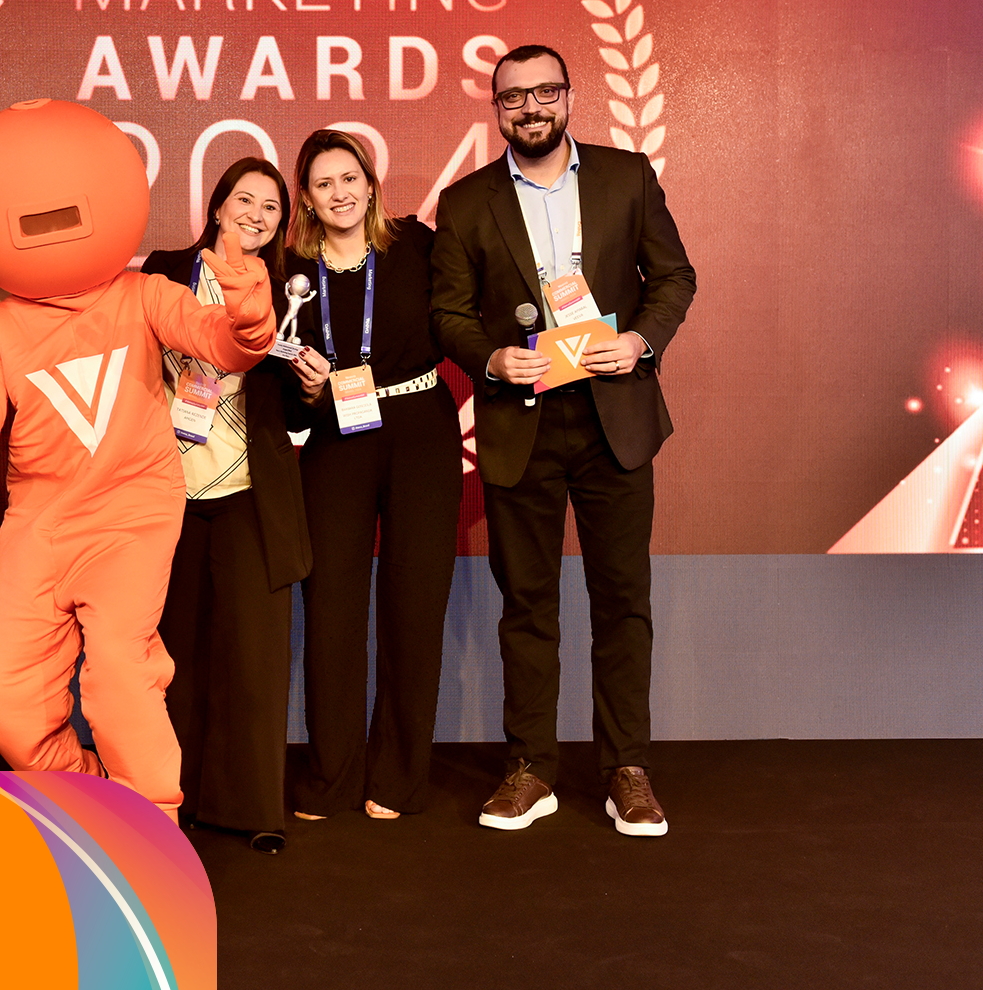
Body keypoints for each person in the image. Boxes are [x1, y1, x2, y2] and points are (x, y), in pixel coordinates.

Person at [0, 99, 274, 820]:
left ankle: (151, 825)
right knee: (6, 695)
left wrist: (248, 318)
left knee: (119, 670)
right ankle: (88, 799)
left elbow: (222, 345)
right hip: (38, 524)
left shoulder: (143, 295)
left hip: (131, 516)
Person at [430, 44, 695, 836]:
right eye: (514, 97)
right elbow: (448, 312)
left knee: (623, 599)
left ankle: (627, 768)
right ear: (497, 110)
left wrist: (640, 341)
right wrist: (490, 357)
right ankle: (531, 768)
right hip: (522, 421)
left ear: (570, 97)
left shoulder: (628, 176)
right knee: (527, 602)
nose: (531, 107)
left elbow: (674, 277)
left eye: (545, 91)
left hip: (616, 417)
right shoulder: (465, 202)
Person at [281, 130, 463, 822]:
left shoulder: (416, 245)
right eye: (324, 183)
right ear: (307, 198)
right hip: (335, 437)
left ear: (371, 182)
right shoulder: (292, 273)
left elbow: (464, 316)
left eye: (349, 178)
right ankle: (331, 775)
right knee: (331, 609)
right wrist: (303, 389)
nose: (340, 193)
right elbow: (278, 389)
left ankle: (398, 777)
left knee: (414, 606)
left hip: (420, 432)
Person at [140, 157, 313, 853]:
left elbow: (299, 400)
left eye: (272, 207)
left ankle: (252, 808)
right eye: (245, 199)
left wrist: (311, 384)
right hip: (166, 488)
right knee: (171, 654)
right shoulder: (165, 270)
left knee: (254, 657)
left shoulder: (293, 287)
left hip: (250, 491)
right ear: (217, 207)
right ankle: (167, 799)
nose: (256, 215)